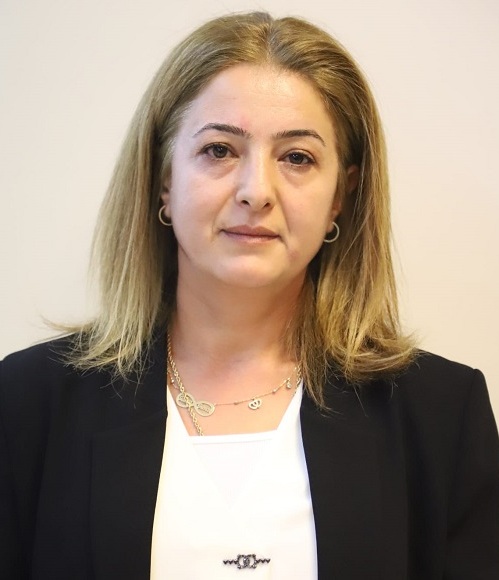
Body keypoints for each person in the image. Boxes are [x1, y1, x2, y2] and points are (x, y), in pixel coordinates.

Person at [1, 11, 498, 580]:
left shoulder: (440, 414)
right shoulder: (27, 404)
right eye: (219, 150)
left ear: (341, 196)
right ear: (163, 180)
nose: (256, 191)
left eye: (297, 157)